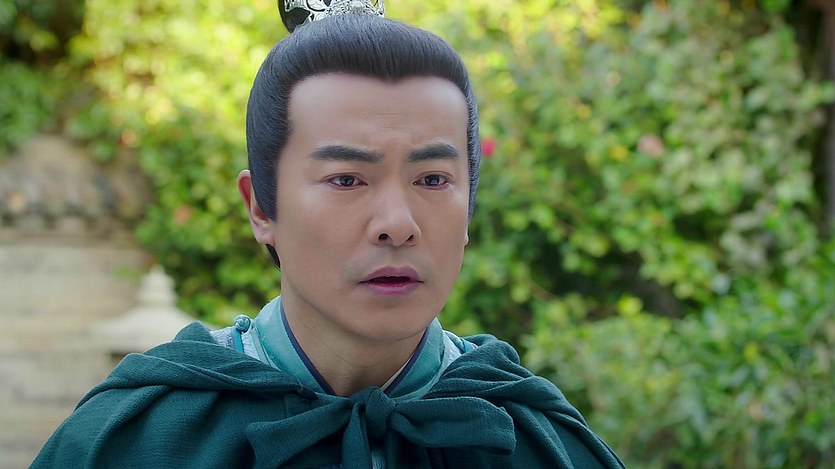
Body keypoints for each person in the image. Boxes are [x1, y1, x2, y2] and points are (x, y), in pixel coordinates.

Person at [32, 2, 626, 467]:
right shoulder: (136, 440)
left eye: (432, 179)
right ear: (260, 207)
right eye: (346, 179)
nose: (397, 224)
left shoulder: (537, 442)